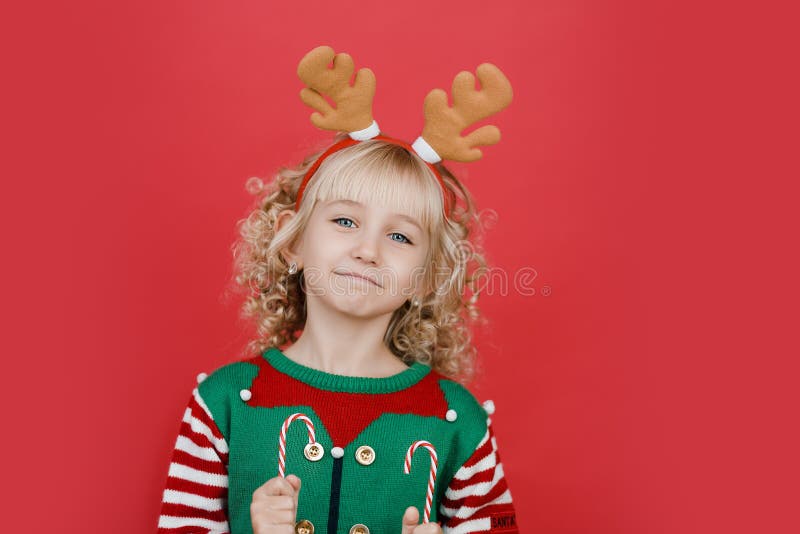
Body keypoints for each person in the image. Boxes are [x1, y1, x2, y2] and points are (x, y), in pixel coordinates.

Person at [157, 45, 518, 534]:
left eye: (400, 236)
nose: (368, 250)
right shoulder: (225, 402)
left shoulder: (456, 420)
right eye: (345, 221)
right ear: (293, 241)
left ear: (428, 277)